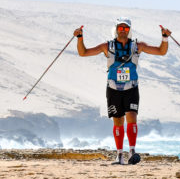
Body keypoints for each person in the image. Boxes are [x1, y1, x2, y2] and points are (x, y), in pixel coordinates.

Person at [73, 18, 170, 165]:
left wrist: (164, 37)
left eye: (126, 28)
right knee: (118, 120)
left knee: (132, 116)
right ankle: (119, 155)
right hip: (113, 88)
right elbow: (83, 53)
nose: (123, 30)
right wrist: (80, 38)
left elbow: (161, 51)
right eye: (121, 27)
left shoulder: (138, 46)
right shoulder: (107, 46)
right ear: (116, 29)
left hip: (131, 87)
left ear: (129, 30)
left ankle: (132, 152)